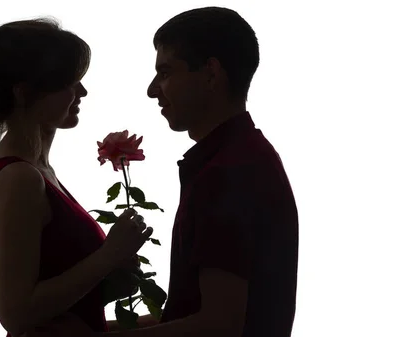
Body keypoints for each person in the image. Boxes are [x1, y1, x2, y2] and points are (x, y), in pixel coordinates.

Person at [33, 6, 299, 337]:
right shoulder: (246, 158)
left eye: (166, 72)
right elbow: (189, 315)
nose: (152, 89)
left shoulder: (227, 173)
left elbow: (218, 326)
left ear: (211, 73)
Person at [0, 18, 153, 337]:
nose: (81, 91)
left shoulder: (39, 172)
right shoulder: (20, 178)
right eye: (69, 82)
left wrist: (110, 279)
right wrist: (108, 257)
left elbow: (61, 312)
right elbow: (16, 313)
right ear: (25, 93)